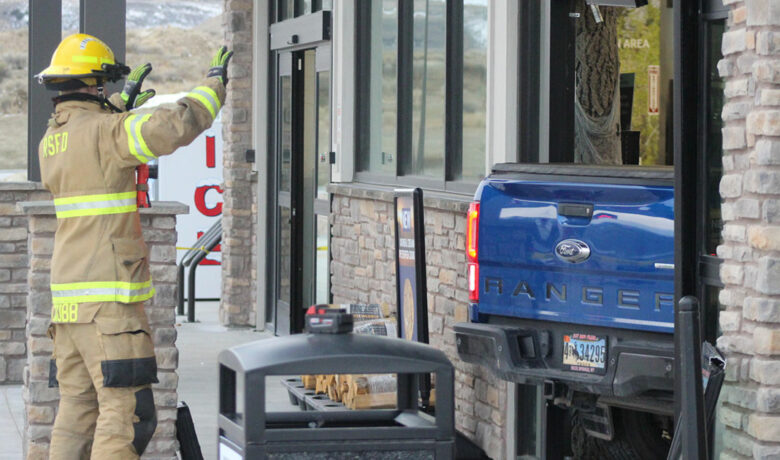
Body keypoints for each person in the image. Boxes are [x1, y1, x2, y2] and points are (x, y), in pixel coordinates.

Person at [35, 33, 232, 459]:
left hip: (68, 308)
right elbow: (173, 127)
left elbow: (92, 135)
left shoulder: (52, 141)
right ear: (94, 85)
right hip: (108, 306)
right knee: (126, 414)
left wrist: (119, 104)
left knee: (76, 409)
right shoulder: (108, 133)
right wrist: (213, 85)